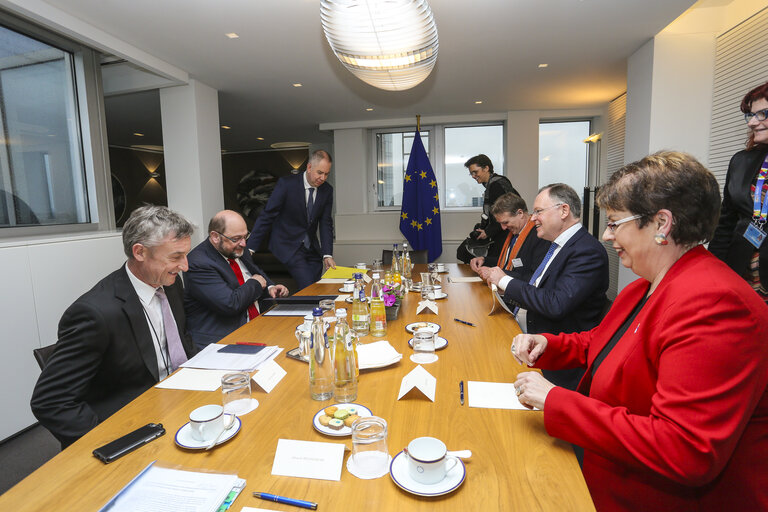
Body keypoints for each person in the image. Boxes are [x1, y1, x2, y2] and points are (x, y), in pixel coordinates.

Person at [511, 151, 768, 511]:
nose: (606, 234)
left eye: (615, 222)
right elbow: (603, 344)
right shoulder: (643, 286)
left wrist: (556, 400)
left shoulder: (717, 304)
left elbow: (683, 449)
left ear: (662, 223)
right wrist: (547, 344)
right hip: (613, 474)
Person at [30, 206, 197, 448]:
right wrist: (109, 441)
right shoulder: (95, 313)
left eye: (186, 255)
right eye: (175, 256)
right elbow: (50, 401)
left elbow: (178, 341)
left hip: (177, 401)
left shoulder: (170, 284)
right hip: (134, 423)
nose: (185, 266)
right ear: (139, 252)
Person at [485, 183, 608, 390]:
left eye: (539, 211)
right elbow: (537, 290)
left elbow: (555, 303)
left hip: (555, 363)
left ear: (563, 211)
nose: (533, 218)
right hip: (528, 340)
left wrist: (504, 280)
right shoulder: (558, 245)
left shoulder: (587, 251)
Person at [184, 210, 289, 349]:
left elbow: (255, 272)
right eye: (236, 238)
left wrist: (270, 287)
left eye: (246, 236)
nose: (244, 244)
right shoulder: (198, 263)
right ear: (215, 237)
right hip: (223, 340)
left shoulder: (237, 247)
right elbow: (230, 304)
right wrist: (256, 283)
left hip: (259, 325)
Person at [709, 81, 768, 303]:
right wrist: (713, 272)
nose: (753, 122)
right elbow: (726, 222)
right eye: (751, 115)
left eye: (762, 114)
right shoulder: (741, 161)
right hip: (739, 276)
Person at [247, 150, 336, 290]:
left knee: (315, 287)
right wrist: (250, 247)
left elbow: (325, 222)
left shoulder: (327, 190)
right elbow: (267, 215)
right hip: (287, 244)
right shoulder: (286, 185)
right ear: (309, 167)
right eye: (320, 172)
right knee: (308, 285)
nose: (323, 178)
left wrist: (327, 254)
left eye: (326, 174)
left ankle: (306, 310)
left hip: (312, 248)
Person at [470, 192, 550, 283]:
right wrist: (484, 260)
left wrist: (496, 273)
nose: (503, 228)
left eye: (506, 222)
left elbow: (533, 277)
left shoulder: (540, 236)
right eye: (500, 223)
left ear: (520, 213)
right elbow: (508, 262)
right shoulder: (513, 233)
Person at [456, 154, 520, 263]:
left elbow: (506, 213)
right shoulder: (491, 185)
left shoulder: (497, 184)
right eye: (471, 173)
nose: (473, 176)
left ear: (486, 168)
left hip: (506, 233)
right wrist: (483, 228)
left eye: (475, 172)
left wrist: (488, 232)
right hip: (498, 231)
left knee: (484, 260)